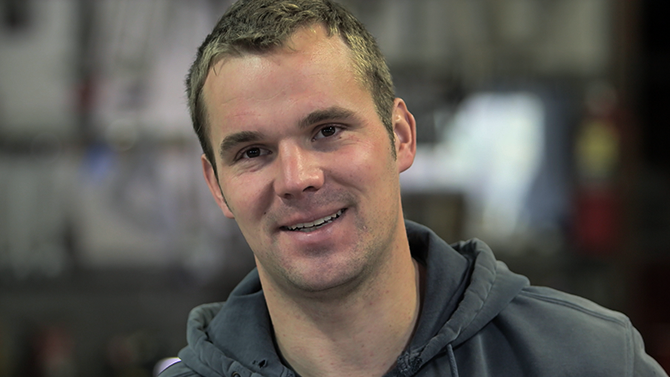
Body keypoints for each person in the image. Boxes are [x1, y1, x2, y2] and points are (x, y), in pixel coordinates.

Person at [160, 0, 667, 376]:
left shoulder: (589, 360)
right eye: (252, 152)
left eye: (328, 131)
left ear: (400, 137)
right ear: (218, 187)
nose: (297, 179)